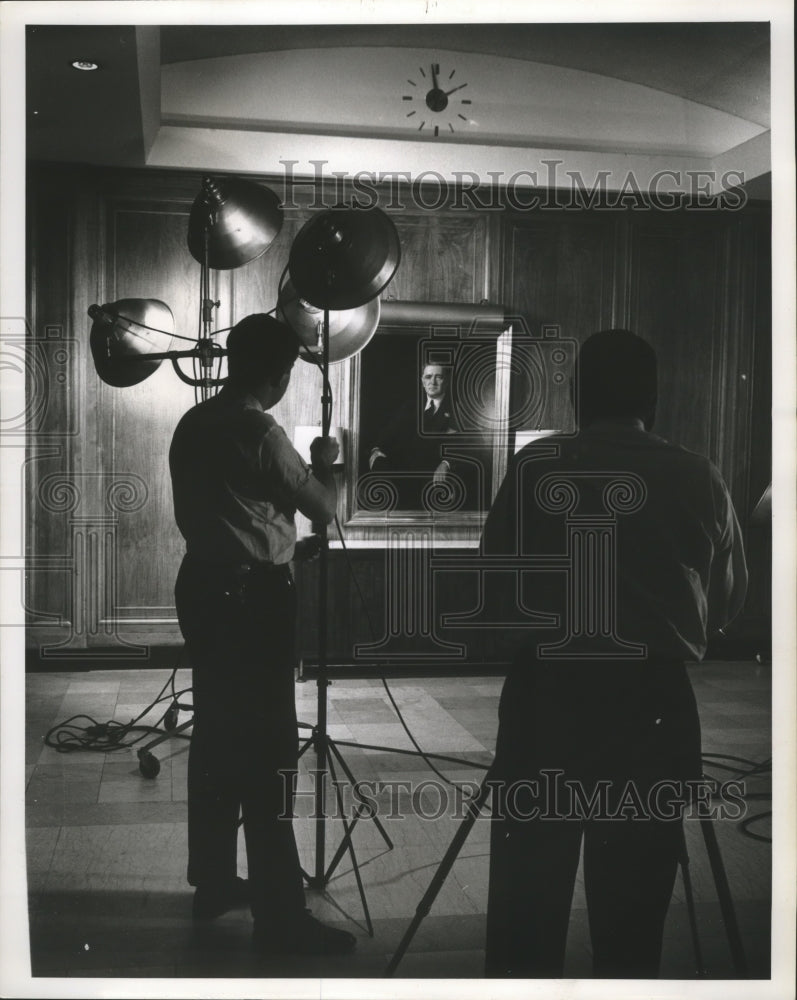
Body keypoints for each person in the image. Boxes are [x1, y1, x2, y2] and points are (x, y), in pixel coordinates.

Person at [481, 329, 747, 978]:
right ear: (652, 399)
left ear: (577, 397)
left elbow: (495, 577)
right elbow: (728, 598)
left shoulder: (538, 464)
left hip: (548, 694)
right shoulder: (695, 473)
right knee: (633, 907)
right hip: (649, 701)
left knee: (527, 895)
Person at [169, 313, 356, 956]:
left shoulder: (194, 421)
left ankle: (214, 881)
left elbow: (231, 511)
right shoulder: (261, 428)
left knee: (217, 737)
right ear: (277, 375)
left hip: (203, 585)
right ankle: (281, 915)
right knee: (271, 749)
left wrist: (274, 543)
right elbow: (324, 508)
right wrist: (326, 464)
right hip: (253, 602)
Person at [368, 362, 459, 508]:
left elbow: (466, 444)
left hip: (433, 483)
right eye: (428, 377)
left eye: (438, 377)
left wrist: (446, 463)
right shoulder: (410, 407)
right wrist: (376, 450)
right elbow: (387, 435)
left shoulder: (457, 410)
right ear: (422, 381)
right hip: (403, 478)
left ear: (446, 381)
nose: (432, 382)